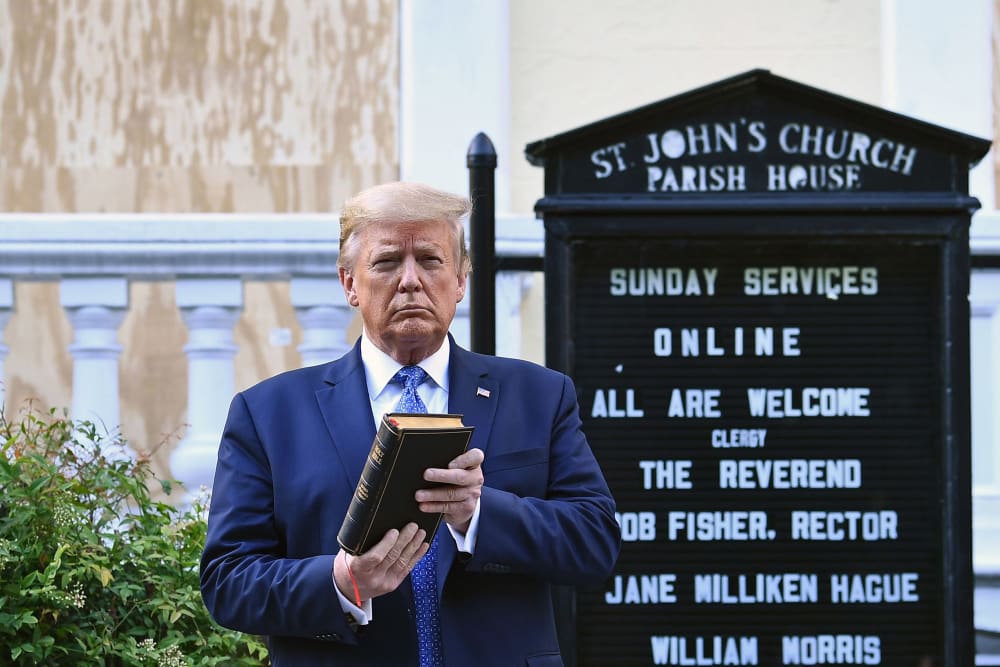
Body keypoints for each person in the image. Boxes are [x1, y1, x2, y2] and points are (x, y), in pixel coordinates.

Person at [200, 181, 620, 666]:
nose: (410, 281)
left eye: (430, 259)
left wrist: (478, 513)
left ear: (460, 280)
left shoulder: (539, 396)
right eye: (386, 262)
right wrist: (340, 582)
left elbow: (595, 541)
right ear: (349, 283)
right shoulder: (269, 414)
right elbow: (227, 582)